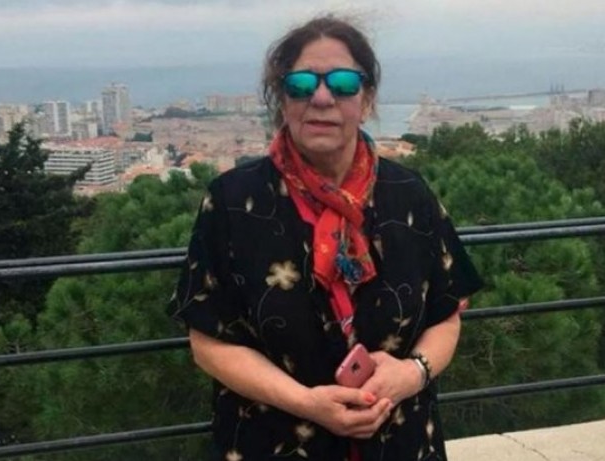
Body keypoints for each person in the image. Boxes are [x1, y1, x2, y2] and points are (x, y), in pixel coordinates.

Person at [170, 13, 483, 461]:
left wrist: (411, 374)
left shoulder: (409, 195)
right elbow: (209, 342)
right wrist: (307, 404)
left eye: (342, 83)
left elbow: (446, 314)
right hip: (273, 443)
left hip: (401, 442)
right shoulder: (233, 201)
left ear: (367, 99)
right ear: (282, 99)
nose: (321, 97)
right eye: (300, 84)